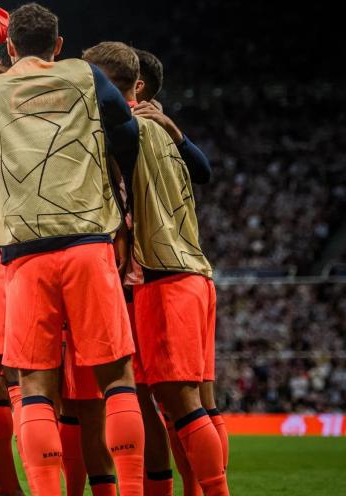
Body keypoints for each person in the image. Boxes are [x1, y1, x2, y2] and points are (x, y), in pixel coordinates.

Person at [0, 3, 145, 496]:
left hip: (25, 255)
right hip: (88, 244)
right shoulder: (85, 75)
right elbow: (127, 131)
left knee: (35, 384)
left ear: (10, 47)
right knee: (116, 377)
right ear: (58, 46)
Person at [97, 44, 227, 496]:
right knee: (186, 402)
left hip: (160, 275)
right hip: (188, 270)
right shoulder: (164, 133)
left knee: (180, 402)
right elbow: (204, 171)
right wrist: (178, 131)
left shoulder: (129, 130)